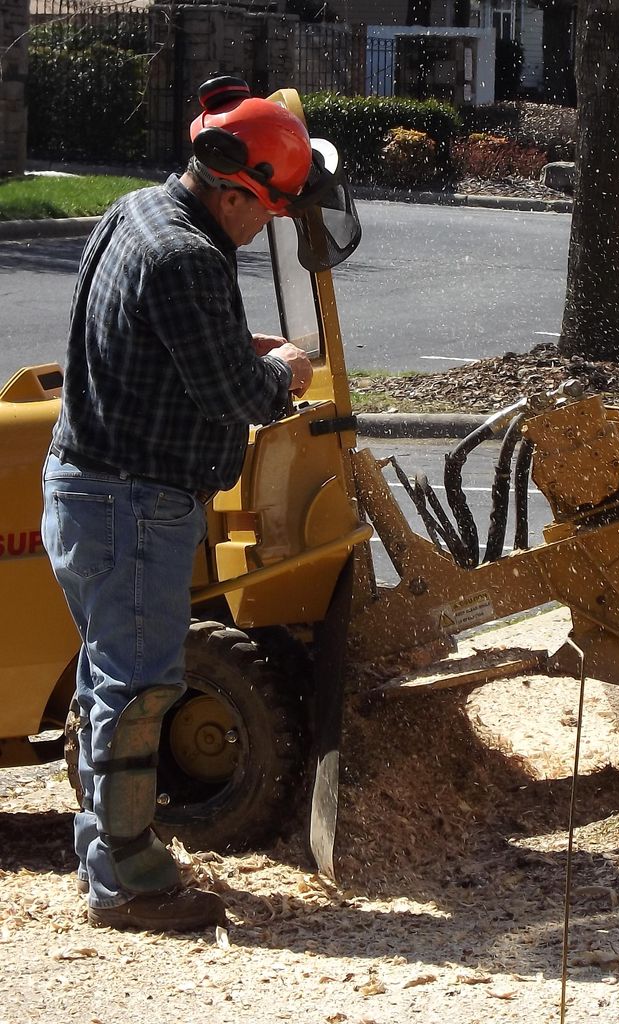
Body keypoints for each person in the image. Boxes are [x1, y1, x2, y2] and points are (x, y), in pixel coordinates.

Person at [41, 77, 315, 932]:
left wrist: (231, 344)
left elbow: (148, 337)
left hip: (91, 488)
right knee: (138, 692)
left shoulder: (138, 212)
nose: (266, 224)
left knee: (107, 677)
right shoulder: (189, 258)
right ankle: (131, 886)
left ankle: (105, 859)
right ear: (234, 191)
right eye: (268, 210)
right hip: (133, 501)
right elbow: (238, 393)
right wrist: (284, 372)